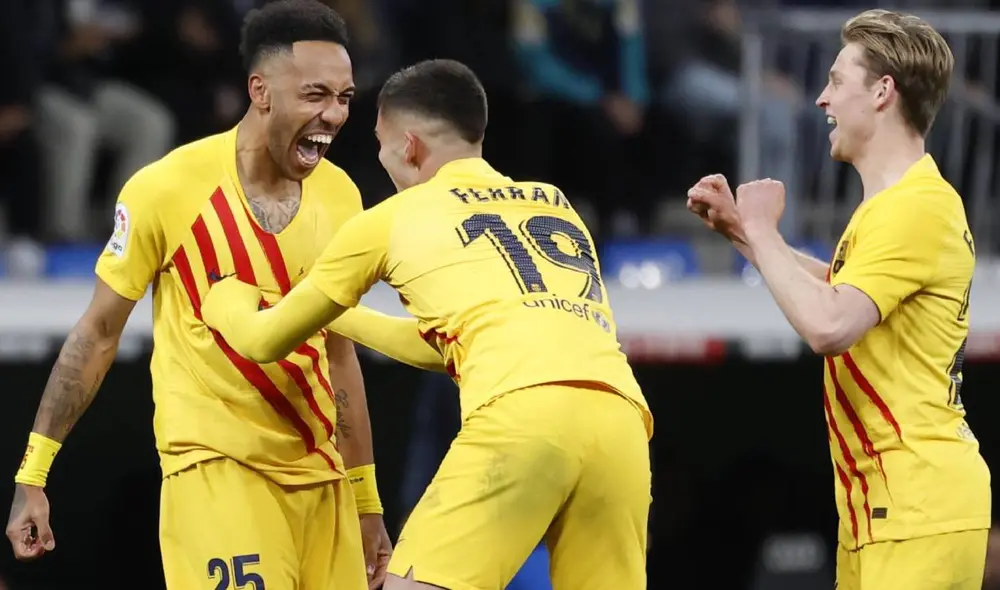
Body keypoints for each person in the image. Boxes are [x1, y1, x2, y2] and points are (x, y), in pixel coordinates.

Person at [199, 58, 654, 590]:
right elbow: (455, 343)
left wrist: (224, 297)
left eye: (380, 144)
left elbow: (264, 339)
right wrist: (344, 319)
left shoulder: (390, 219)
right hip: (622, 421)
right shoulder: (555, 204)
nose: (382, 158)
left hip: (522, 418)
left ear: (409, 146)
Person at [5, 1, 400, 588]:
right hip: (218, 475)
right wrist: (33, 474)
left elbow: (339, 356)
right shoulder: (167, 187)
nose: (335, 114)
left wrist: (368, 503)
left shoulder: (341, 196)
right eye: (316, 95)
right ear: (260, 90)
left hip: (324, 486)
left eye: (344, 97)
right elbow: (97, 333)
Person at [687, 9, 990, 590]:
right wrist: (743, 232)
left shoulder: (913, 207)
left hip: (915, 503)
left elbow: (830, 325)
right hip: (885, 507)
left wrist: (765, 231)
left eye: (835, 80)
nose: (821, 99)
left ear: (882, 92)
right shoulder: (898, 206)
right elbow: (835, 288)